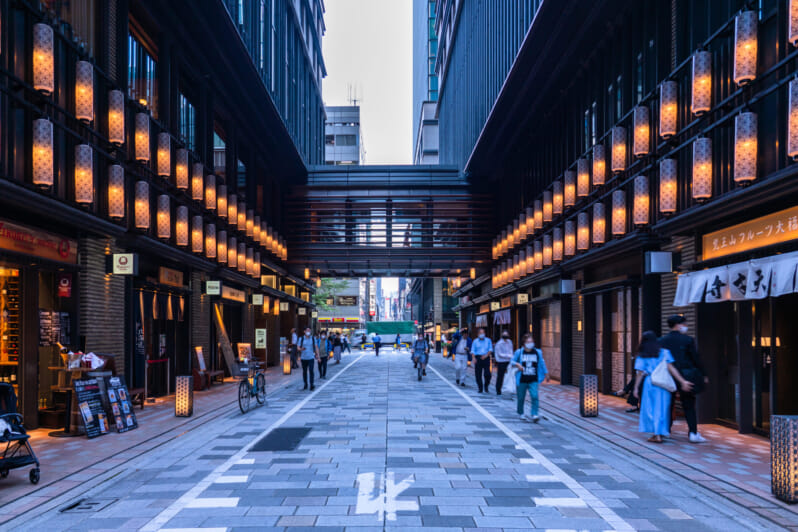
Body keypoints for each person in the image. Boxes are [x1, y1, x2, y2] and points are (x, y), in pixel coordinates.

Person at [633, 331, 693, 443]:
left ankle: (656, 434)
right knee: (661, 409)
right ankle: (659, 433)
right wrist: (682, 381)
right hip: (663, 384)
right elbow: (671, 368)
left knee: (650, 408)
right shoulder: (665, 353)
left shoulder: (642, 355)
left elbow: (640, 373)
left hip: (650, 382)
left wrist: (636, 388)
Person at [660, 315, 709, 443]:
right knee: (689, 405)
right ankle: (693, 433)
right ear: (678, 325)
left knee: (668, 404)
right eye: (684, 324)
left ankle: (666, 431)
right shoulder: (687, 340)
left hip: (667, 377)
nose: (685, 326)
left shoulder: (662, 340)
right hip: (686, 377)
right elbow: (696, 358)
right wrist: (704, 374)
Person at [512, 333, 550, 422]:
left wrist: (546, 373)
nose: (530, 343)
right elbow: (512, 361)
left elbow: (541, 362)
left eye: (531, 341)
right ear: (524, 343)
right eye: (528, 341)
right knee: (521, 397)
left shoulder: (537, 352)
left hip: (533, 378)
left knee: (534, 396)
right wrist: (517, 364)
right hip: (522, 379)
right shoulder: (519, 352)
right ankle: (521, 413)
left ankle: (534, 414)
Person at [471, 328, 493, 393]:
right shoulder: (475, 341)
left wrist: (486, 356)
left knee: (488, 374)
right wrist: (474, 358)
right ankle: (480, 388)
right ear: (478, 334)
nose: (482, 334)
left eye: (483, 333)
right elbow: (473, 351)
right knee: (478, 374)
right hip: (478, 358)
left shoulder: (488, 340)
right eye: (480, 333)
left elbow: (490, 349)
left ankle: (486, 386)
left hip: (486, 357)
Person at [494, 331, 514, 396]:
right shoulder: (499, 343)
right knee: (500, 376)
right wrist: (508, 355)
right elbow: (499, 354)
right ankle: (498, 389)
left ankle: (508, 389)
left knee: (509, 375)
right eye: (504, 335)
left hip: (508, 361)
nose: (506, 336)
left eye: (506, 335)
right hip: (501, 361)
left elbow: (511, 350)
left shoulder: (510, 342)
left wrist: (511, 356)